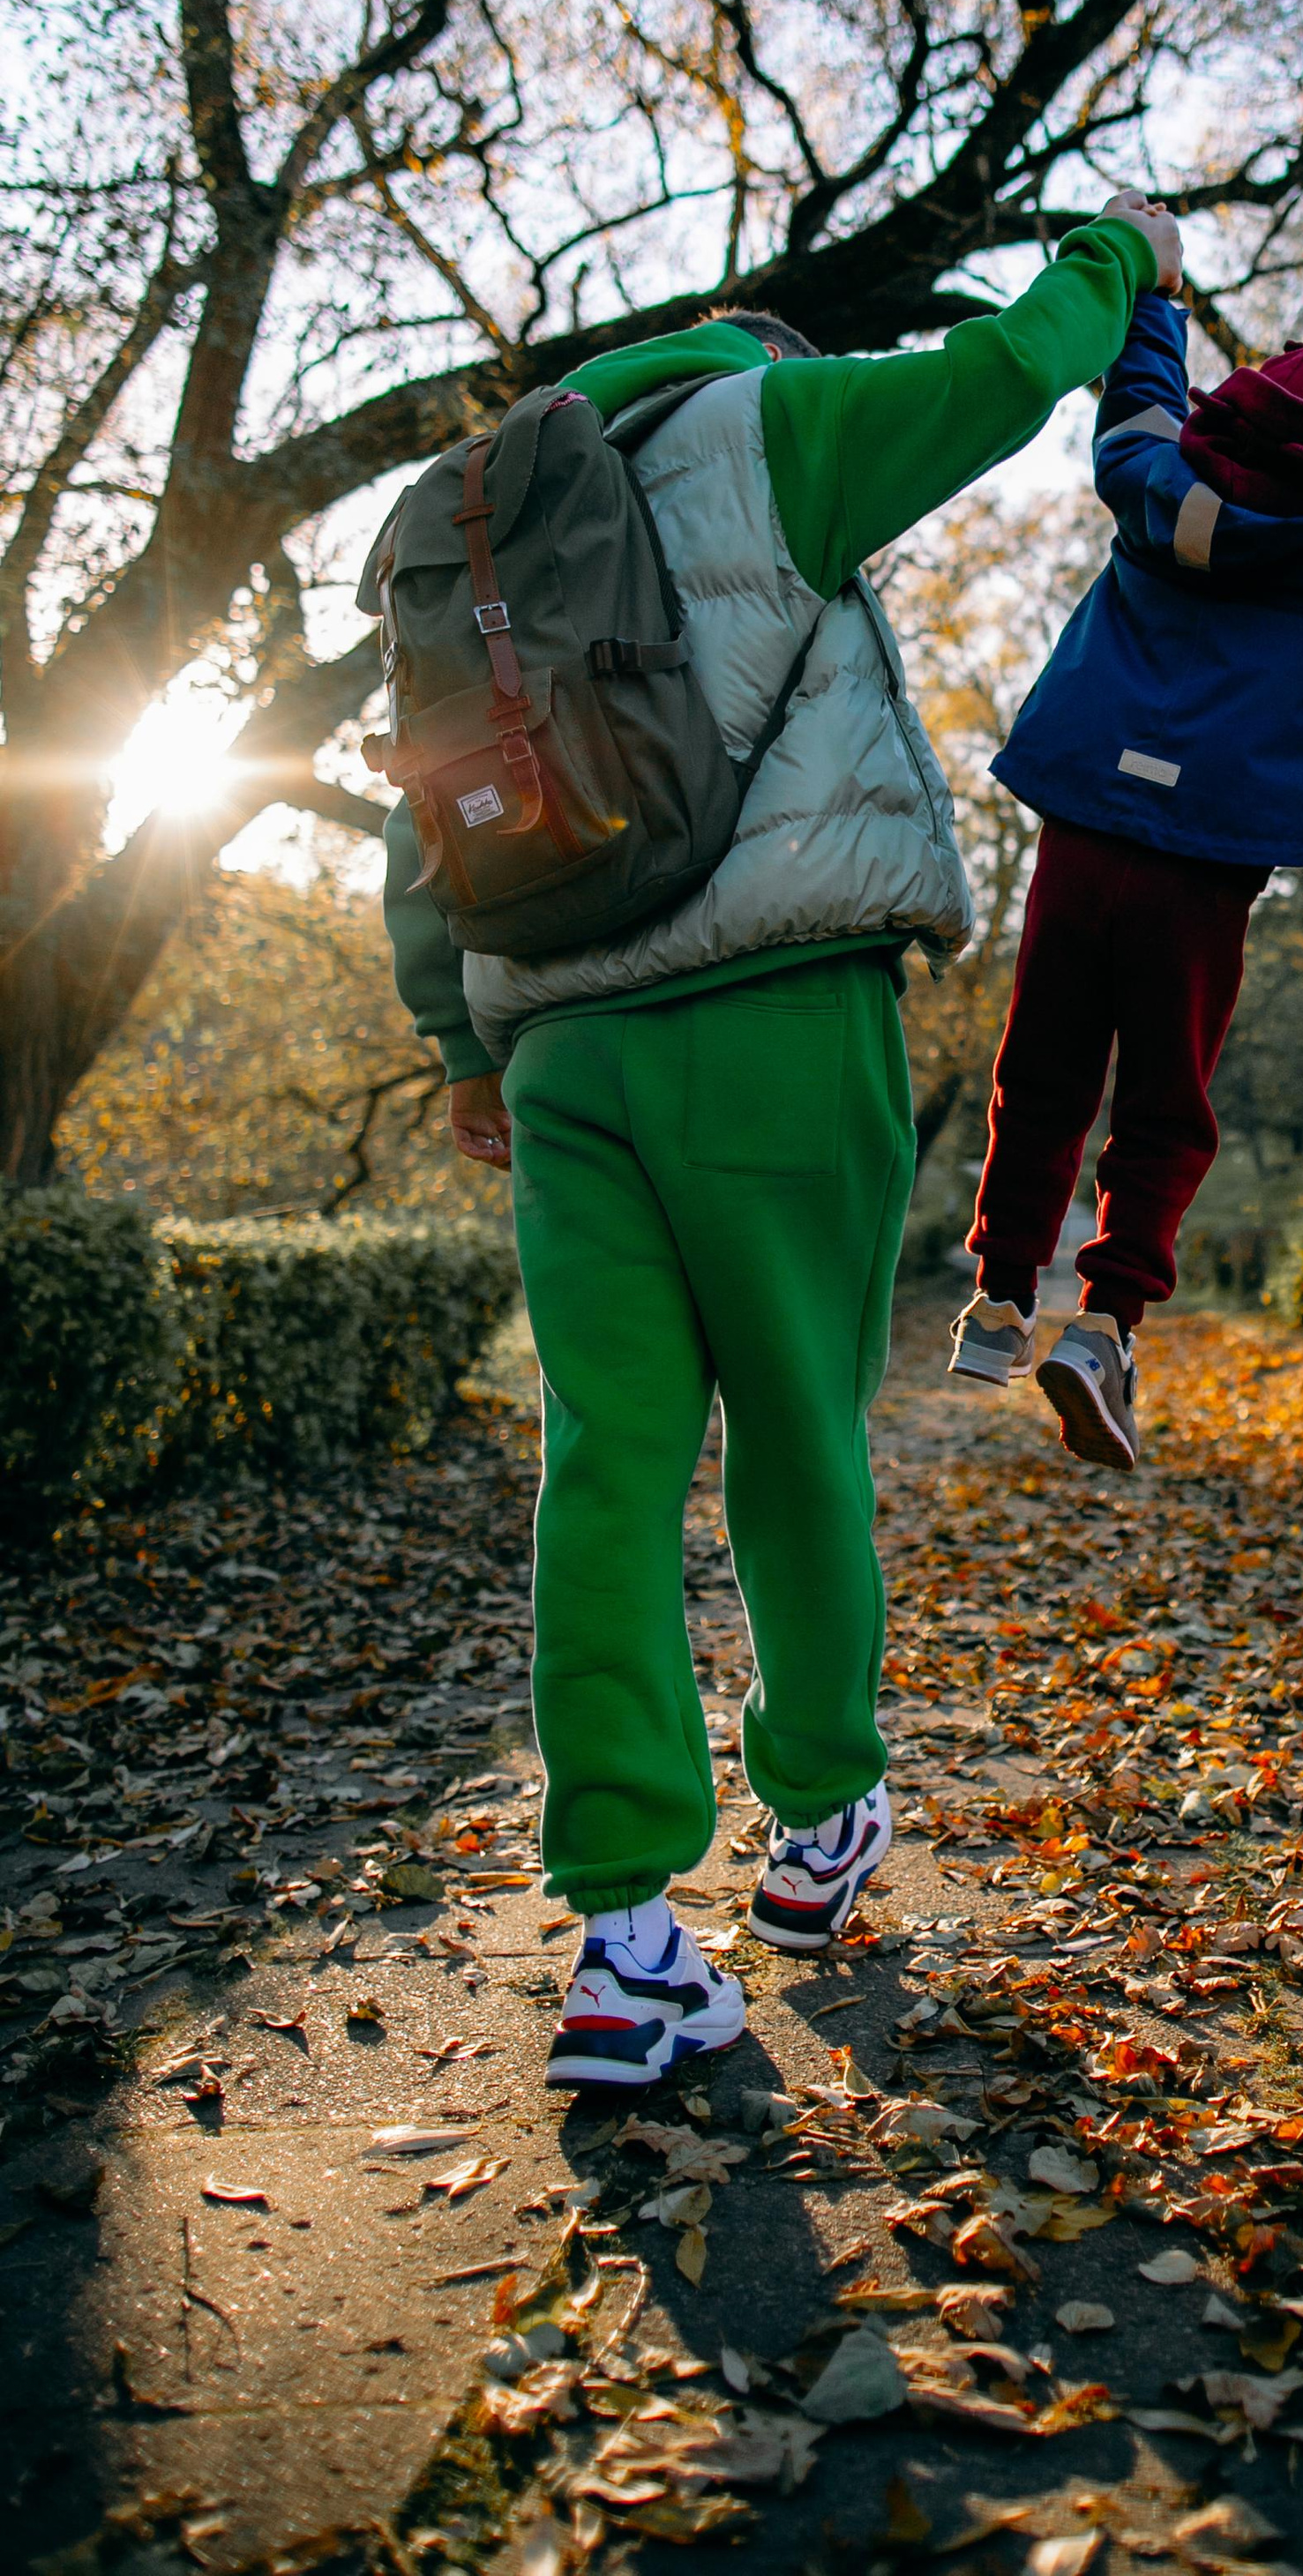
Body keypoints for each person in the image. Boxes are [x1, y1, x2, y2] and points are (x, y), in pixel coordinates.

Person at [379, 194, 1176, 2088]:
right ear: (770, 352)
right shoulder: (776, 426)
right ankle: (819, 1832)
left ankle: (621, 1939)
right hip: (772, 1020)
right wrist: (1116, 262)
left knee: (607, 1461)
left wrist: (457, 1044)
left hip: (559, 1045)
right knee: (797, 1435)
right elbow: (1004, 375)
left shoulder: (470, 512)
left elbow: (418, 810)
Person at [949, 288, 1303, 1464]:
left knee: (1041, 1071)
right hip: (1210, 862)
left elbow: (1137, 406)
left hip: (1088, 823)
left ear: (1221, 419)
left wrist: (1160, 297)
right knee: (1167, 1100)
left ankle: (998, 1304)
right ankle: (1108, 1324)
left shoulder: (1153, 497)